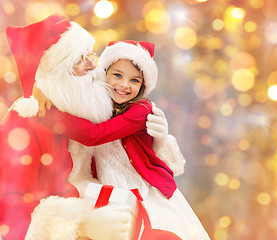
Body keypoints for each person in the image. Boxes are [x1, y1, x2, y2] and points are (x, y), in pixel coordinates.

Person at [1, 14, 184, 240]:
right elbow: (11, 210)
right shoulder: (26, 123)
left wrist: (161, 143)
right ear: (58, 69)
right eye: (80, 59)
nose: (92, 66)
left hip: (127, 204)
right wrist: (82, 226)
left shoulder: (89, 106)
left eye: (90, 55)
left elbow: (114, 148)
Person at [36, 40, 210, 240]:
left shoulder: (140, 110)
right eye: (117, 75)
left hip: (143, 190)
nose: (124, 85)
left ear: (143, 86)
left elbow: (95, 135)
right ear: (104, 73)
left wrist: (51, 114)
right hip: (109, 188)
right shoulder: (99, 104)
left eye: (135, 80)